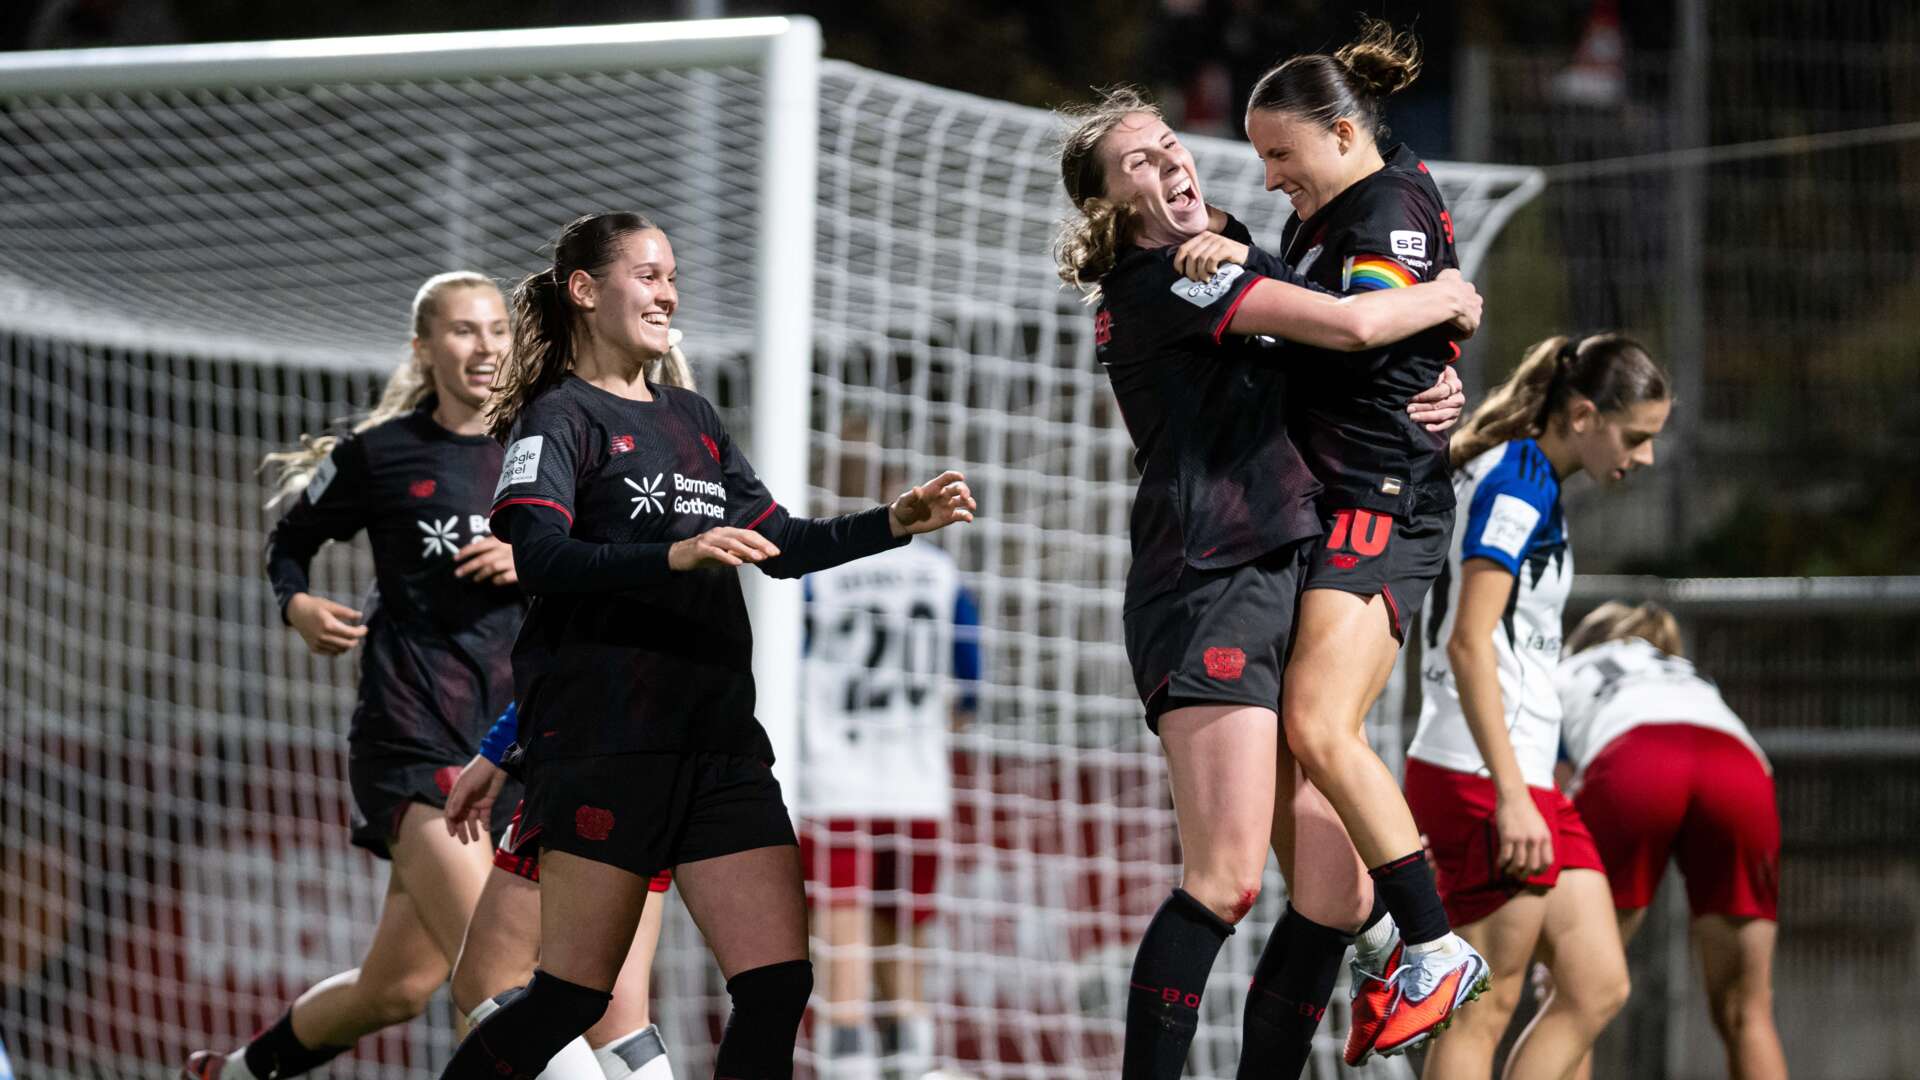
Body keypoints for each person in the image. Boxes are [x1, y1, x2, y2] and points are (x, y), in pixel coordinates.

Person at [434, 211, 976, 1080]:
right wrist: (674, 553)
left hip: (719, 744)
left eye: (671, 275)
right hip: (609, 746)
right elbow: (538, 555)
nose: (667, 292)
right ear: (585, 290)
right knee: (573, 997)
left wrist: (892, 523)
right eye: (647, 274)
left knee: (778, 984)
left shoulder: (692, 416)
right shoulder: (557, 418)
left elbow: (782, 544)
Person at [1051, 87, 1481, 1080]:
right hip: (1211, 581)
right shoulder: (1166, 278)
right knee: (1225, 877)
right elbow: (1344, 325)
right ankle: (1427, 948)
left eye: (1169, 148)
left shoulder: (1220, 259)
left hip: (1276, 571)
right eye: (1141, 166)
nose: (1170, 168)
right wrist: (1448, 302)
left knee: (1330, 897)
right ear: (1112, 208)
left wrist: (1424, 384)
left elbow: (1332, 356)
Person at [1170, 20, 1489, 1068]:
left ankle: (1431, 942)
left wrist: (1441, 301)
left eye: (1280, 157)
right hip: (1335, 499)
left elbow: (1361, 325)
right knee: (1300, 782)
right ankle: (1391, 928)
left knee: (1316, 721)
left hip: (1379, 499)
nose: (1269, 177)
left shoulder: (1387, 206)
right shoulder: (1345, 204)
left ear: (1343, 134)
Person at [184, 272, 522, 1079]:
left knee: (397, 988)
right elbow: (288, 543)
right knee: (503, 971)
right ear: (424, 346)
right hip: (414, 739)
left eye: (499, 331)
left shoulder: (547, 447)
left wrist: (536, 553)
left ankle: (232, 1075)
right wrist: (294, 603)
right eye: (464, 331)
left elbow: (602, 564)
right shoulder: (381, 454)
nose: (486, 349)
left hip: (520, 739)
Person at [1408, 333, 1670, 1079]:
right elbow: (1468, 643)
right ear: (1583, 415)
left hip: (1521, 775)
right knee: (1485, 1005)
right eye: (1637, 436)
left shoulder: (1530, 476)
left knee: (1596, 985)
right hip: (1483, 775)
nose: (1644, 456)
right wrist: (1514, 796)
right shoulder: (1518, 480)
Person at [798, 437, 983, 1077]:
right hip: (914, 783)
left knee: (841, 935)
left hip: (834, 778)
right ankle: (913, 1063)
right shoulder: (939, 573)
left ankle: (847, 1063)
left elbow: (781, 672)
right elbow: (968, 689)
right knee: (904, 934)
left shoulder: (812, 574)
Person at [1557, 602, 1787, 1080]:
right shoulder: (1687, 674)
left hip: (1632, 757)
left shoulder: (1566, 672)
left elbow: (1552, 791)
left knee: (1573, 997)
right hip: (1738, 766)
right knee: (1748, 1010)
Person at [443, 701, 676, 1080]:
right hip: (669, 765)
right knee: (618, 1021)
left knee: (489, 980)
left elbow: (575, 650)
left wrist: (494, 751)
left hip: (590, 753)